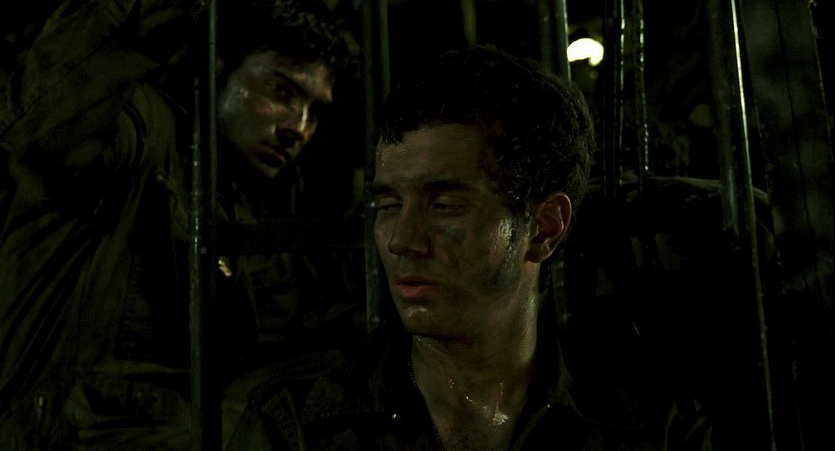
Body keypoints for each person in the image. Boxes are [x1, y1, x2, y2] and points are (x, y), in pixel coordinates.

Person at [226, 45, 713, 450]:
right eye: (389, 205)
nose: (401, 240)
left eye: (444, 205)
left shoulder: (653, 426)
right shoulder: (297, 425)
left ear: (544, 228)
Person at [0, 0, 363, 449]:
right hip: (61, 431)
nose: (299, 127)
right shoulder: (142, 128)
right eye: (280, 90)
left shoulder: (233, 206)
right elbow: (48, 131)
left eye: (314, 112)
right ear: (219, 67)